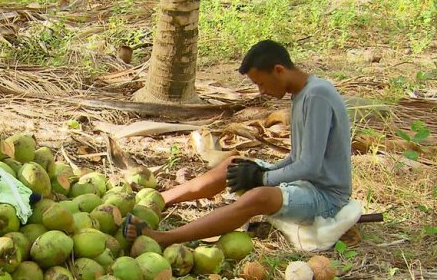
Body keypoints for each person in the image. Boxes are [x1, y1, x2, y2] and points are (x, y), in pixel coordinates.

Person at [124, 40, 353, 248]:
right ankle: (158, 200)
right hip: (305, 183)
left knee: (258, 197)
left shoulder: (316, 96)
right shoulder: (302, 94)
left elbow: (310, 166)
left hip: (326, 197)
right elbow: (297, 158)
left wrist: (262, 178)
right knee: (233, 165)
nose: (261, 91)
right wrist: (262, 171)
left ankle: (165, 238)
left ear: (279, 70)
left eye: (261, 83)